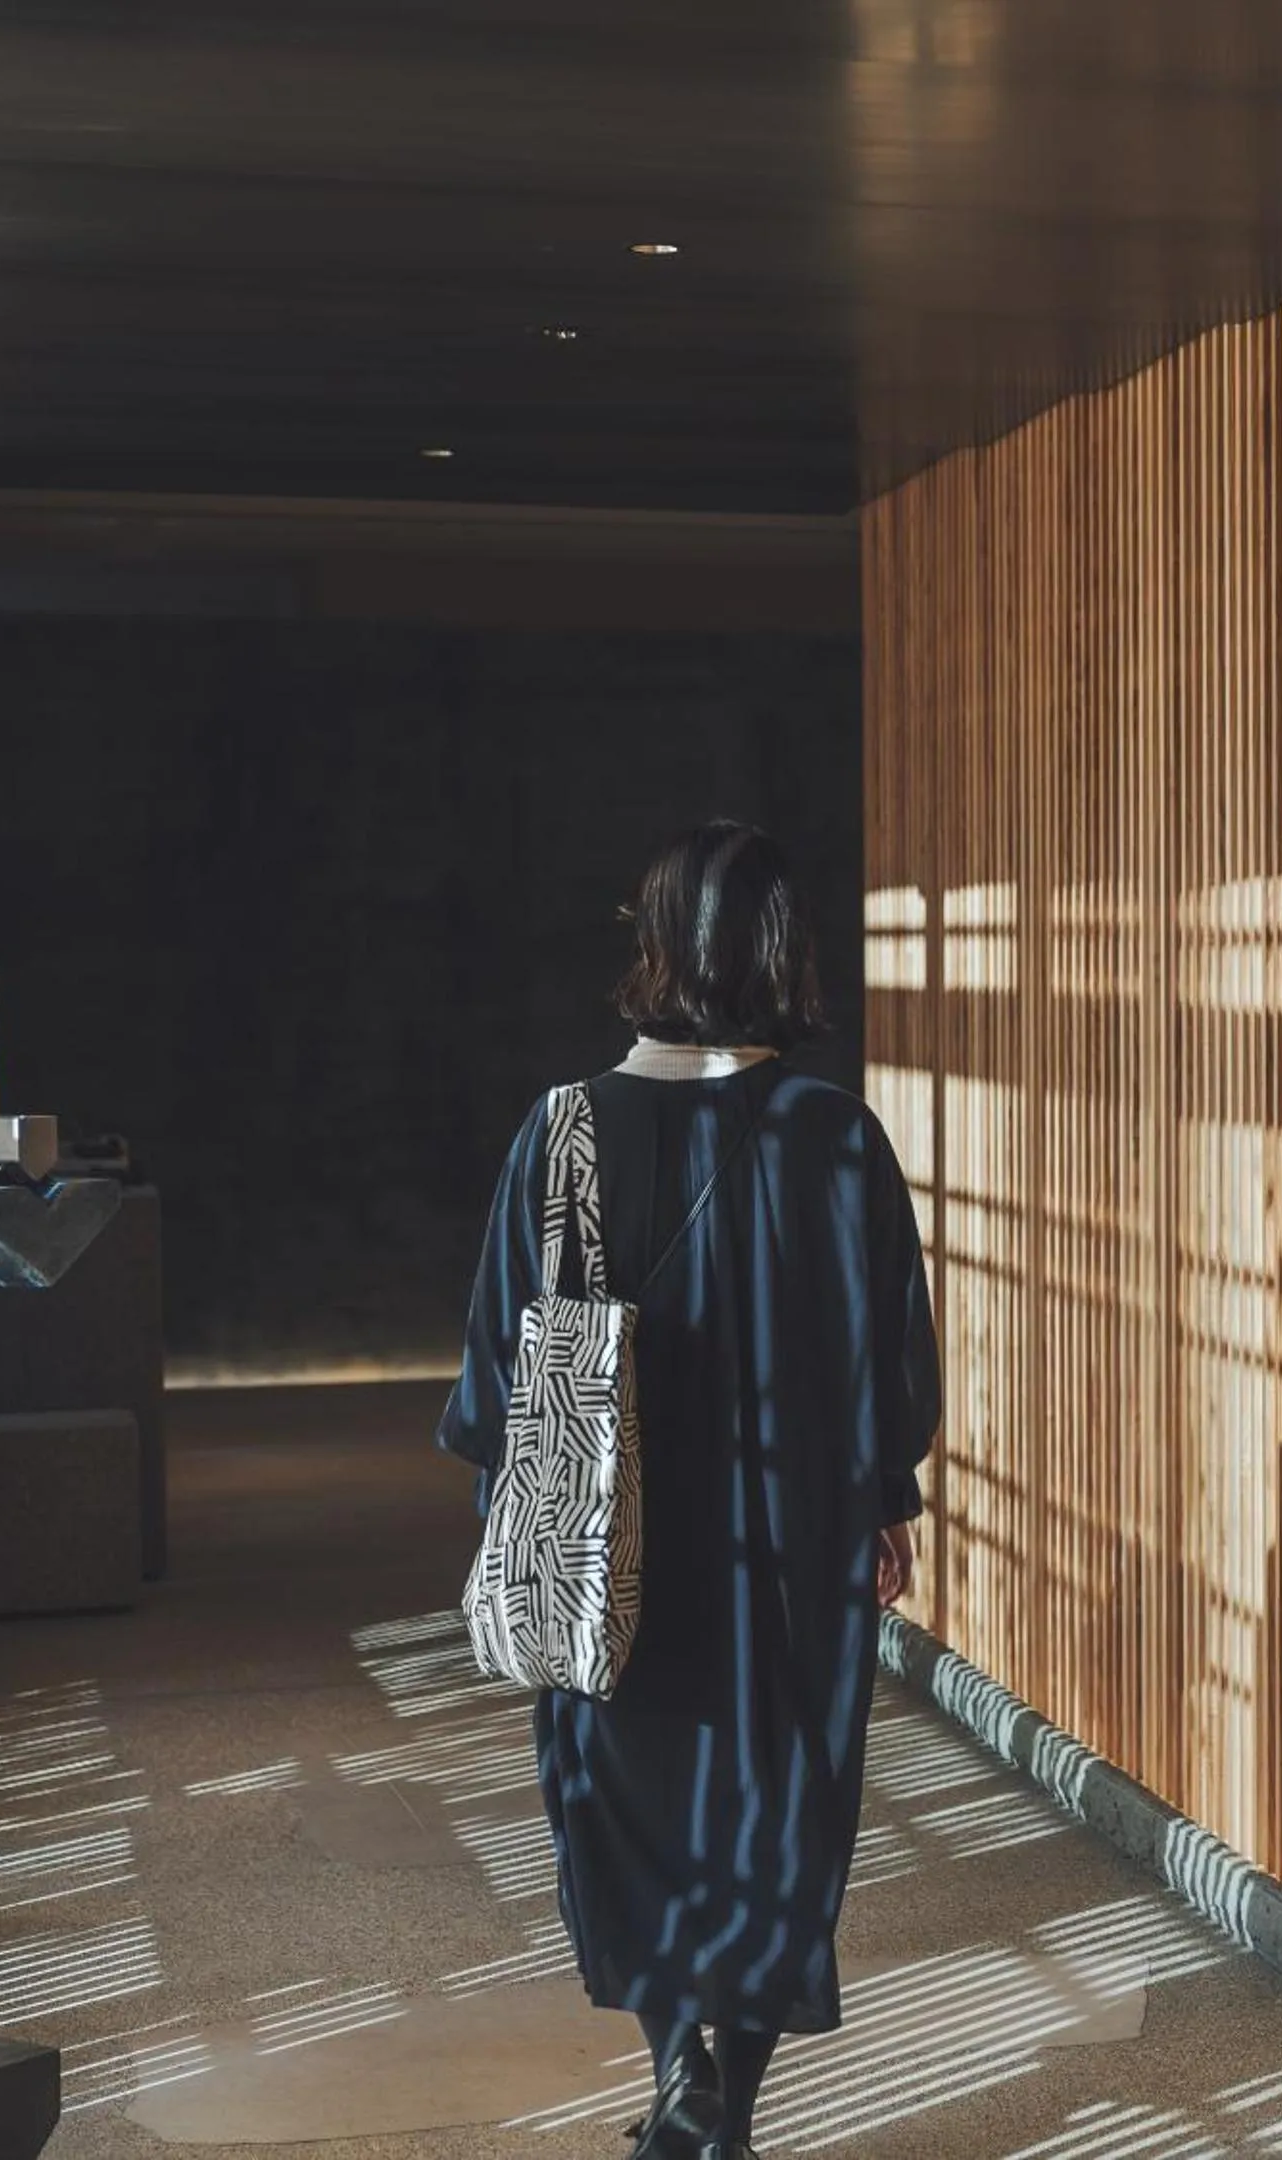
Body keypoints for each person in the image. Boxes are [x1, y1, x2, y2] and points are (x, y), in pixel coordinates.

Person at [438, 821, 941, 2160]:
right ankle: (733, 2100)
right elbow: (890, 1345)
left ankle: (678, 2071)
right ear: (786, 956)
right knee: (776, 1802)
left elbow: (504, 1359)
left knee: (629, 1795)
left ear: (653, 947)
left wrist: (521, 1504)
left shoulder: (564, 1130)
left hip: (611, 1540)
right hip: (788, 1541)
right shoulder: (836, 1140)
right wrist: (886, 1493)